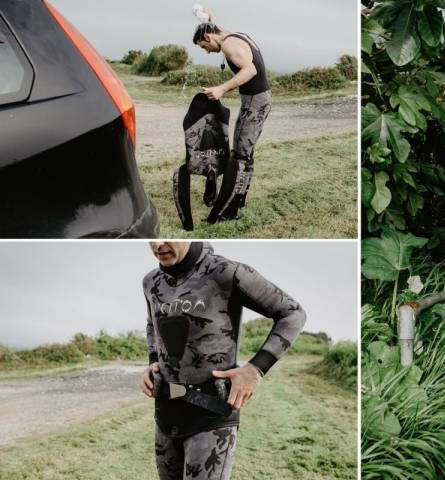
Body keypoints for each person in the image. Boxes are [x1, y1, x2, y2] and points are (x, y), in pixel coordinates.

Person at [140, 241, 306, 479]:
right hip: (166, 412)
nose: (158, 244)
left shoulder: (226, 272)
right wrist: (152, 360)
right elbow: (152, 323)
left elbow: (292, 313)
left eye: (168, 237)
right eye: (152, 239)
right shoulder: (150, 281)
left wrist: (256, 369)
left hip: (212, 413)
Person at [192, 20, 272, 221]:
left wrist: (221, 88)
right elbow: (214, 29)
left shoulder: (228, 45)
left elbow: (250, 70)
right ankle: (239, 199)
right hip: (260, 100)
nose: (208, 52)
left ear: (208, 37)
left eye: (204, 47)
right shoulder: (234, 35)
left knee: (239, 156)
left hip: (255, 103)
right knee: (245, 154)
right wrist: (208, 20)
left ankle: (229, 210)